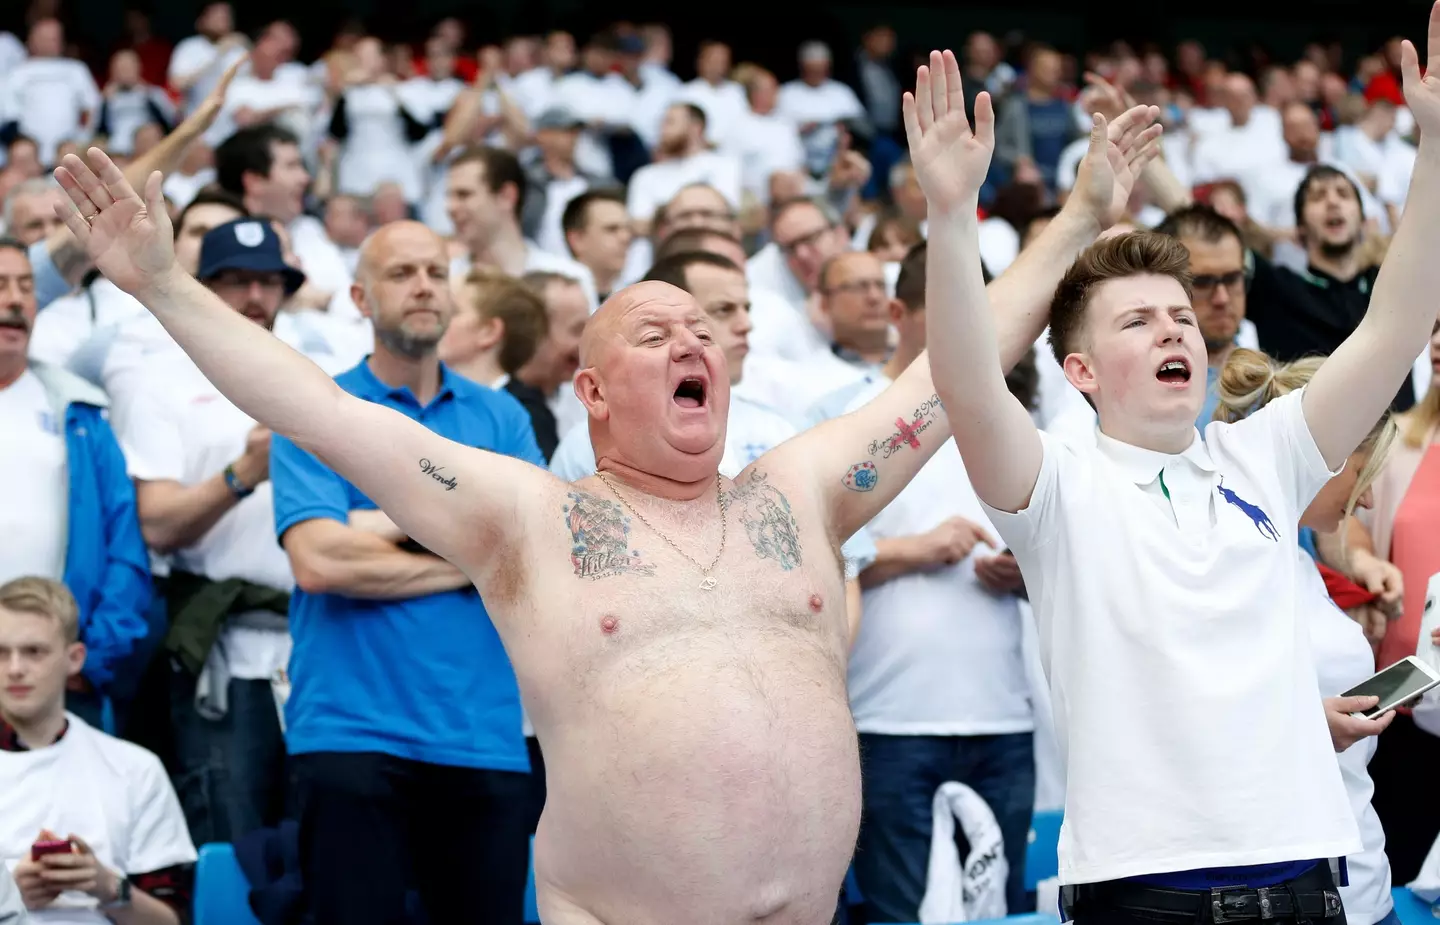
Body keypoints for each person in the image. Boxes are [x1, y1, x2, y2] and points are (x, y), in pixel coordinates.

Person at [49, 90, 1160, 923]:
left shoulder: (804, 491)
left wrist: (1078, 217)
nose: (690, 342)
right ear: (589, 395)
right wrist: (160, 283)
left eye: (703, 332)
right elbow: (323, 412)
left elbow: (955, 370)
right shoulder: (532, 520)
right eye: (653, 332)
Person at [904, 21, 1439, 922]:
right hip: (1143, 892)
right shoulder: (1054, 483)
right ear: (1079, 372)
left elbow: (1391, 329)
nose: (1173, 330)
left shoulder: (1264, 450)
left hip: (1309, 880)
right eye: (1137, 320)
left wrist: (1434, 147)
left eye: (1181, 315)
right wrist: (952, 215)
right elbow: (964, 378)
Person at [271, 222, 544, 925]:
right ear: (359, 296)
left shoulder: (502, 416)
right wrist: (470, 547)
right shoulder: (316, 410)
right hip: (350, 728)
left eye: (435, 270)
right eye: (401, 272)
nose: (423, 284)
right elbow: (320, 559)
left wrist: (378, 521)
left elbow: (531, 553)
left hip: (481, 734)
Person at [1213, 350, 1403, 925]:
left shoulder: (1293, 558)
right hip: (1292, 892)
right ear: (1324, 455)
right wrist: (1310, 723)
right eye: (1363, 475)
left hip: (1364, 878)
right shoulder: (1227, 563)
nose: (1366, 499)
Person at [0, 576, 196, 925]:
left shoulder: (135, 770)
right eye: (1, 653)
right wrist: (8, 895)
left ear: (74, 659)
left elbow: (173, 920)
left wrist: (107, 887)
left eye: (34, 651)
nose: (15, 669)